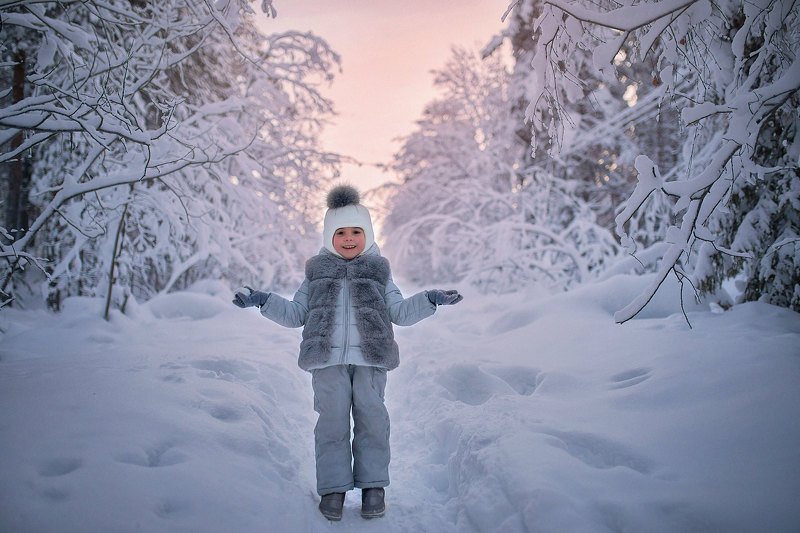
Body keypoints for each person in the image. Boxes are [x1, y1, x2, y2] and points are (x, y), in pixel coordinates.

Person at [232, 185, 462, 521]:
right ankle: (333, 488)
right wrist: (263, 300)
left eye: (357, 232)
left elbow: (399, 311)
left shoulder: (378, 271)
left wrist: (430, 299)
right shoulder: (316, 273)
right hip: (326, 363)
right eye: (341, 232)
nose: (349, 238)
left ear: (367, 235)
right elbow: (297, 313)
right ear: (329, 236)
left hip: (370, 361)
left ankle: (373, 486)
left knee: (372, 420)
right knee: (331, 424)